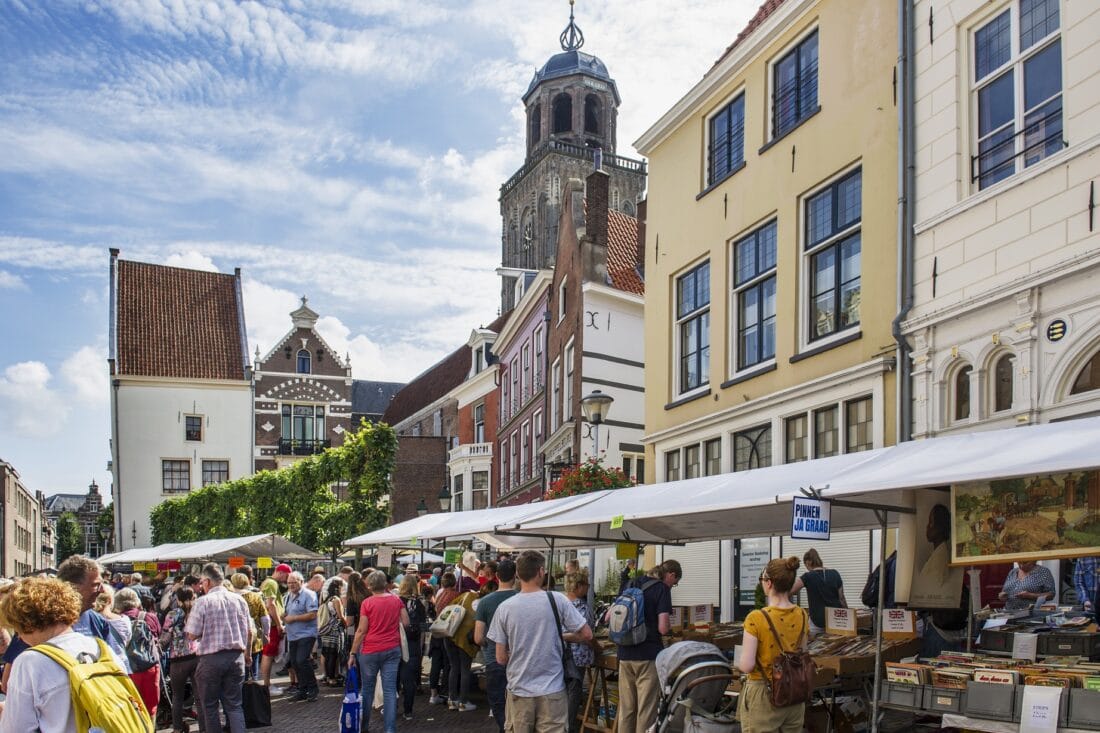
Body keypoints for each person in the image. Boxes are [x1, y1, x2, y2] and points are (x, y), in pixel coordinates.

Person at [0, 577, 149, 733]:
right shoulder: (101, 648)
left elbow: (16, 729)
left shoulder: (30, 661)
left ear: (27, 623)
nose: (19, 637)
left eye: (17, 629)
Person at [487, 550, 592, 732]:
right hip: (552, 691)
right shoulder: (557, 599)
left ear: (517, 574)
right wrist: (561, 637)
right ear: (541, 571)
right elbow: (587, 634)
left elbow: (501, 658)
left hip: (519, 690)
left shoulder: (504, 608)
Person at [736, 557, 810, 733]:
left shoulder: (755, 618)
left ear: (768, 583)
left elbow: (747, 666)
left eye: (762, 579)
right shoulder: (802, 614)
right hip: (793, 692)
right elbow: (803, 653)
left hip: (763, 694)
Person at [613, 559, 680, 733]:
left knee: (626, 709)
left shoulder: (632, 582)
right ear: (670, 575)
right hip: (648, 655)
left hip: (624, 653)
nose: (674, 585)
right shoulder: (662, 589)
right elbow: (663, 628)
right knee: (646, 709)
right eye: (676, 581)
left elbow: (609, 616)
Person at [186, 562, 253, 733]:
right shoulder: (239, 600)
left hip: (211, 659)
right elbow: (249, 631)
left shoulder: (203, 602)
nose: (201, 586)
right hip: (235, 657)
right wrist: (248, 654)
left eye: (202, 582)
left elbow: (192, 634)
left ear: (207, 582)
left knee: (210, 706)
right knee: (234, 705)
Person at [349, 570, 410, 733]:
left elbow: (361, 630)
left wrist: (352, 653)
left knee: (367, 689)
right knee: (390, 689)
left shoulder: (367, 603)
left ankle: (365, 726)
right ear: (385, 584)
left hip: (370, 650)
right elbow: (406, 622)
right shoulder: (396, 600)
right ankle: (390, 729)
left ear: (369, 586)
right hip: (392, 648)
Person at [56, 554, 131, 672]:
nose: (102, 590)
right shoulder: (45, 620)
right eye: (96, 585)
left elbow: (117, 665)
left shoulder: (96, 620)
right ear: (72, 587)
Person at [474, 558, 518, 733]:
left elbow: (478, 637)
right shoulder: (520, 598)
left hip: (493, 659)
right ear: (515, 576)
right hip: (518, 659)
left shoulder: (485, 602)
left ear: (497, 576)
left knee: (498, 702)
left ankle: (506, 728)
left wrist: (488, 644)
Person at [114, 586, 162, 720]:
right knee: (150, 707)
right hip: (149, 667)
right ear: (137, 601)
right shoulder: (150, 617)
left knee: (130, 707)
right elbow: (158, 635)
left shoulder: (116, 620)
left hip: (126, 669)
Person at [160, 586, 200, 733]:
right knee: (199, 695)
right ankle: (204, 727)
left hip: (178, 660)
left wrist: (159, 646)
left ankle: (177, 729)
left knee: (177, 696)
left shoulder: (172, 614)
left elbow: (165, 637)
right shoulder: (197, 613)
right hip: (196, 657)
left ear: (177, 599)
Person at [564, 570, 598, 733]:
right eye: (586, 585)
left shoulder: (560, 602)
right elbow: (585, 635)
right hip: (577, 655)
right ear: (578, 586)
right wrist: (597, 647)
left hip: (560, 654)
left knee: (565, 690)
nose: (588, 588)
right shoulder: (580, 606)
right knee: (574, 690)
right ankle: (569, 727)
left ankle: (563, 724)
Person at [789, 548, 846, 636]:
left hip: (817, 622)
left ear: (808, 562)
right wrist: (847, 615)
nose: (807, 568)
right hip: (836, 620)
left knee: (815, 646)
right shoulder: (835, 573)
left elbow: (790, 591)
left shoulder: (807, 576)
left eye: (806, 565)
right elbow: (841, 598)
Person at [442, 582, 480, 712]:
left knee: (454, 667)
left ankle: (452, 700)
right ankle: (463, 702)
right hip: (465, 639)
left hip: (450, 635)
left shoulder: (463, 597)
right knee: (465, 670)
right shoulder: (478, 601)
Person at [282, 570, 319, 702]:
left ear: (301, 582)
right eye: (289, 583)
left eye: (294, 582)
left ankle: (313, 688)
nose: (291, 585)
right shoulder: (287, 596)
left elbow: (312, 614)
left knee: (302, 660)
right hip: (292, 635)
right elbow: (286, 614)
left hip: (306, 633)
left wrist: (294, 618)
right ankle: (302, 690)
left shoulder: (309, 595)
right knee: (295, 663)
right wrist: (284, 618)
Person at [397, 574, 427, 720]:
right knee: (409, 680)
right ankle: (408, 710)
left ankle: (391, 707)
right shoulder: (420, 604)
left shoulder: (396, 601)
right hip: (413, 644)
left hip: (396, 642)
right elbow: (422, 627)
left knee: (393, 677)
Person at [231, 572, 269, 680]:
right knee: (253, 670)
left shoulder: (230, 597)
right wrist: (266, 633)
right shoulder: (255, 597)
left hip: (235, 638)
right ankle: (252, 692)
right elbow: (265, 618)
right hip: (253, 638)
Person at [427, 572, 457, 705]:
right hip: (447, 632)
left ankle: (433, 693)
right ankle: (447, 692)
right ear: (454, 582)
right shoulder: (455, 595)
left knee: (435, 664)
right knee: (448, 664)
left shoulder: (438, 594)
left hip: (436, 632)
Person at [258, 575, 286, 693]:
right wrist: (279, 624)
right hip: (272, 625)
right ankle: (267, 685)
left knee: (268, 653)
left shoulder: (267, 582)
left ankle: (267, 685)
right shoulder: (271, 583)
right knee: (268, 653)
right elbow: (271, 604)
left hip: (270, 624)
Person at [318, 577, 346, 687]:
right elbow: (340, 616)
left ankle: (327, 677)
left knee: (327, 653)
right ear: (338, 588)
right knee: (333, 655)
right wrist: (346, 624)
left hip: (326, 629)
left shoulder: (326, 600)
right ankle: (332, 678)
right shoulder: (336, 600)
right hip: (334, 630)